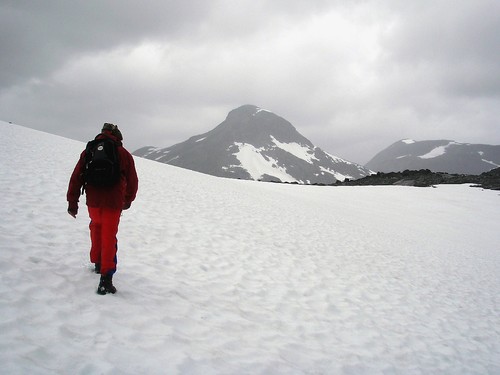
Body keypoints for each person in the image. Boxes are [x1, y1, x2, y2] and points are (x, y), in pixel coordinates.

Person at [67, 123, 138, 295]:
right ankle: (106, 279)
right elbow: (133, 181)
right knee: (109, 237)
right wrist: (127, 201)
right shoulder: (123, 153)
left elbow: (76, 177)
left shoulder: (89, 151)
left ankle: (97, 263)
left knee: (96, 228)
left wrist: (72, 203)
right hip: (112, 203)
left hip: (93, 201)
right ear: (117, 136)